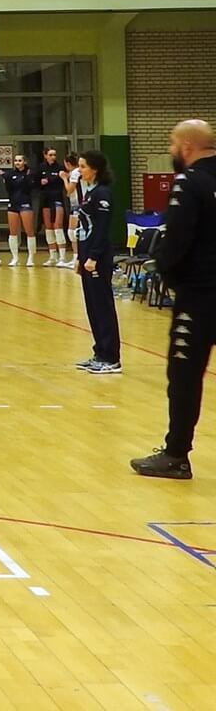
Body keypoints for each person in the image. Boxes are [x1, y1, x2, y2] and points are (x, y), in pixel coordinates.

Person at [131, 120, 216, 480]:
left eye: (171, 144)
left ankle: (176, 454)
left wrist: (166, 273)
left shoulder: (189, 182)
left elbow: (177, 239)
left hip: (199, 295)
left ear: (186, 147)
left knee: (184, 375)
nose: (171, 151)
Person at [72, 151, 121, 375]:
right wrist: (79, 258)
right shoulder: (89, 193)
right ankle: (99, 352)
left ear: (95, 169)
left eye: (83, 166)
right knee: (92, 307)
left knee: (103, 307)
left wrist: (93, 256)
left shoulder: (102, 193)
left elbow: (101, 229)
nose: (79, 170)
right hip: (86, 256)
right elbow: (83, 228)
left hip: (98, 258)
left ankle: (111, 357)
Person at [38, 147, 70, 267]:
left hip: (57, 199)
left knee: (58, 226)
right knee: (49, 228)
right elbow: (34, 182)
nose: (53, 157)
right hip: (45, 200)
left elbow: (66, 178)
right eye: (50, 155)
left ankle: (62, 257)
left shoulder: (60, 168)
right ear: (45, 155)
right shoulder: (41, 167)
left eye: (54, 155)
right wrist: (40, 182)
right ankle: (53, 256)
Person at [3, 154, 36, 267]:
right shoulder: (10, 174)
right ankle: (15, 257)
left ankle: (31, 257)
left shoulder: (29, 173)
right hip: (13, 204)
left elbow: (30, 188)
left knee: (29, 231)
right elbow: (9, 189)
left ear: (25, 162)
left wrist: (26, 177)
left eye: (20, 160)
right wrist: (6, 179)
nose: (17, 163)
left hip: (25, 203)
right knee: (12, 232)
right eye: (16, 161)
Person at [64, 153, 84, 270]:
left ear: (67, 163)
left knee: (73, 232)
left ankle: (77, 258)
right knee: (74, 232)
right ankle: (76, 257)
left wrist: (64, 179)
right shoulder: (77, 172)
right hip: (76, 204)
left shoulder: (75, 173)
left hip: (77, 204)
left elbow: (69, 190)